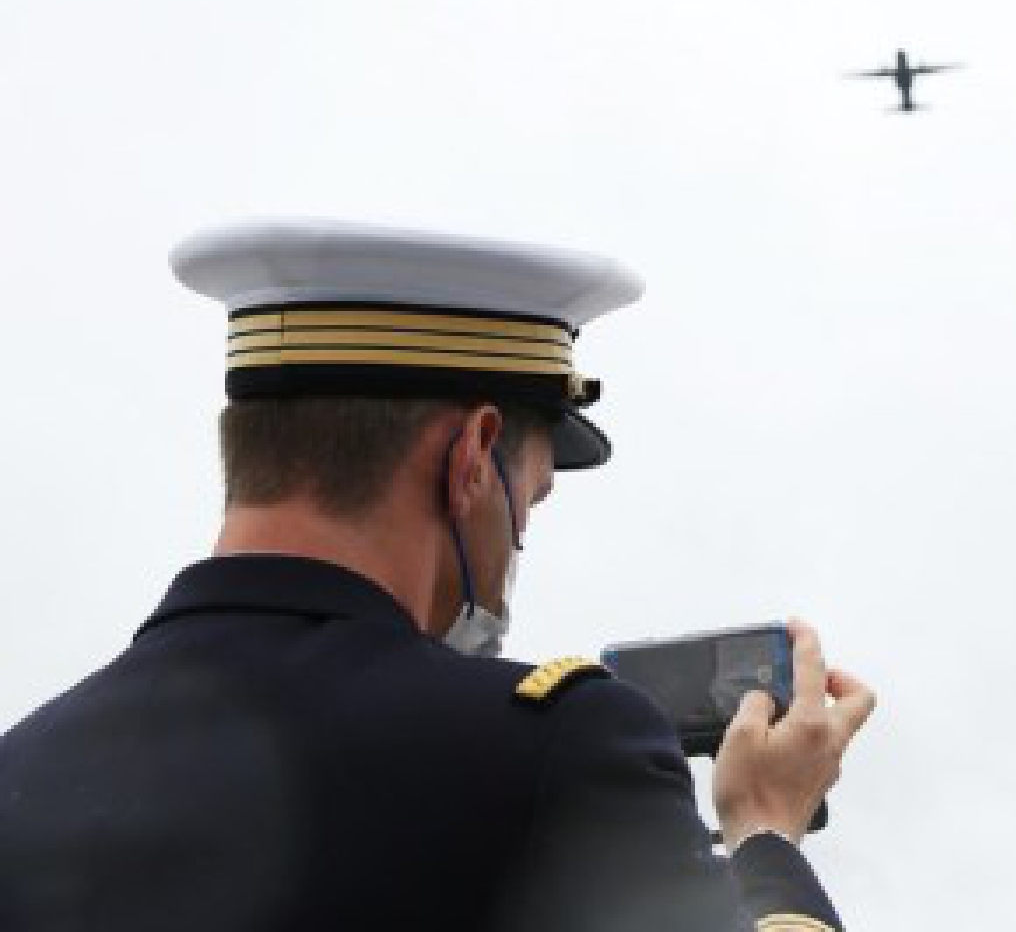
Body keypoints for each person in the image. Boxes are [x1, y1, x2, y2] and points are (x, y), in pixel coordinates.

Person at [0, 218, 874, 932]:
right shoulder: (550, 752)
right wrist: (765, 834)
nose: (517, 545)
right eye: (524, 502)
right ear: (472, 456)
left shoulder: (22, 769)